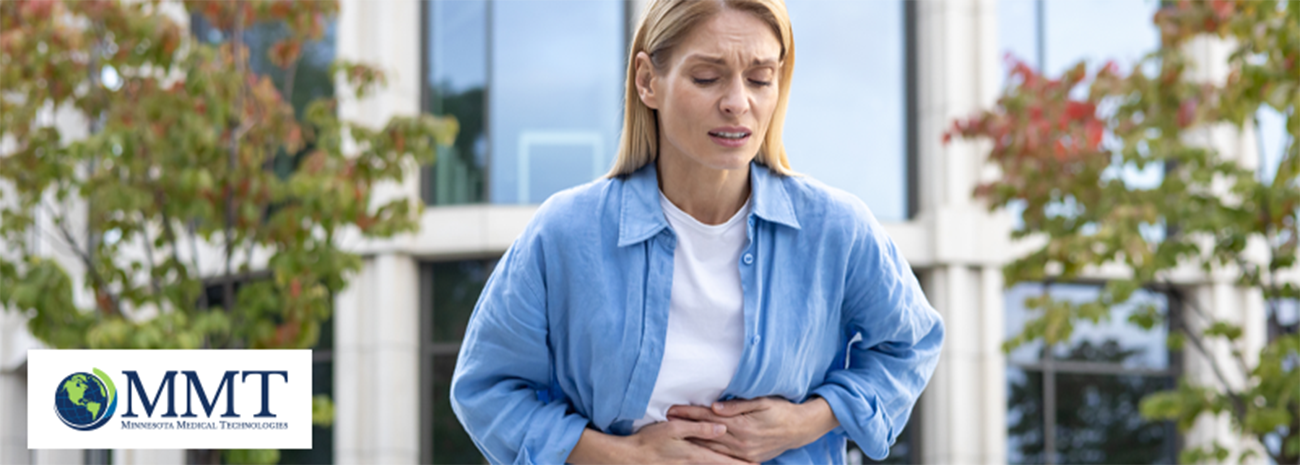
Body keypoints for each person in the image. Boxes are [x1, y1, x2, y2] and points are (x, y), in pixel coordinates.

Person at [449, 0, 944, 463]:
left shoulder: (836, 229)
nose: (737, 102)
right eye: (707, 78)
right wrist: (628, 457)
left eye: (760, 78)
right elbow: (486, 390)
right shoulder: (565, 233)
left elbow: (911, 344)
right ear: (647, 81)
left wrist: (804, 422)